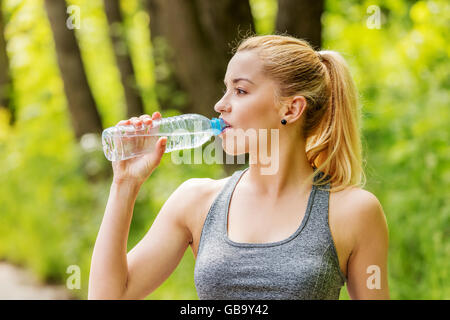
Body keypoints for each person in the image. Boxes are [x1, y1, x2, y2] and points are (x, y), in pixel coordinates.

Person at [88, 34, 389, 300]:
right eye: (225, 89)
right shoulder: (196, 202)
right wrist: (124, 185)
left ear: (291, 108)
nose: (220, 104)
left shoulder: (354, 212)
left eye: (240, 91)